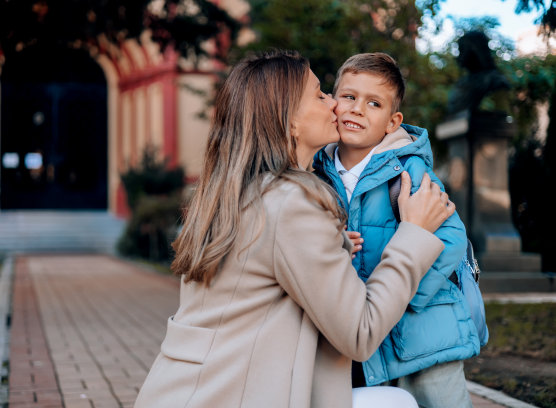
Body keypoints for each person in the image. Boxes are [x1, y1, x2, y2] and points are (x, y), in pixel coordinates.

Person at [134, 49, 456, 408]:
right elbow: (359, 333)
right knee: (398, 404)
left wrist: (332, 249)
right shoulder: (292, 202)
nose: (335, 104)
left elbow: (266, 269)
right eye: (320, 95)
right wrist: (414, 235)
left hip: (185, 392)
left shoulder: (235, 192)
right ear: (290, 122)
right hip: (232, 395)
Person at [312, 52, 479, 408]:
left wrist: (404, 299)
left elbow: (451, 239)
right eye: (349, 96)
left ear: (392, 122)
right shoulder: (315, 173)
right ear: (332, 102)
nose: (357, 109)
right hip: (360, 333)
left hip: (424, 334)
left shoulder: (407, 171)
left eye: (374, 103)